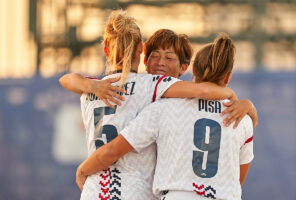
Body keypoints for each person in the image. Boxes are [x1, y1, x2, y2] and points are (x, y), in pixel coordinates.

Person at [60, 10, 239, 200]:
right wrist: (232, 95)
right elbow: (202, 91)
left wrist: (89, 84)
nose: (161, 63)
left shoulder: (90, 90)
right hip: (135, 190)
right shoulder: (152, 85)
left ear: (105, 48)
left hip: (94, 190)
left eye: (169, 58)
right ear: (141, 48)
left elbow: (66, 79)